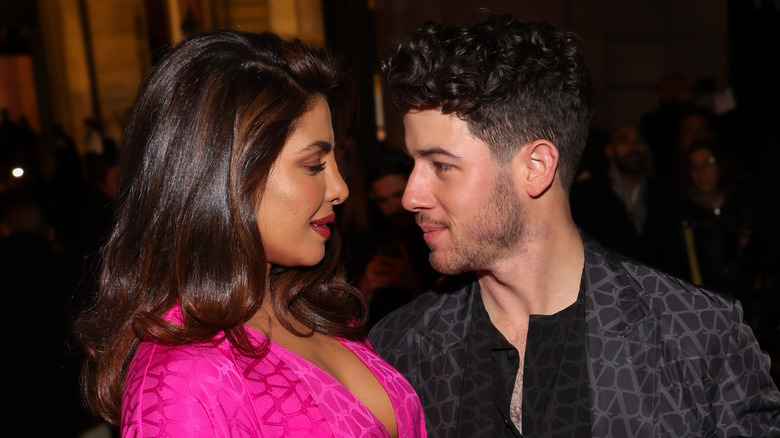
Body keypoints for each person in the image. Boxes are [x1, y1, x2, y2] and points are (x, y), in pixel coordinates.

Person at [367, 14, 780, 438]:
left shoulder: (702, 339)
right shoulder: (396, 349)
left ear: (536, 166)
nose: (410, 196)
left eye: (441, 165)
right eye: (413, 163)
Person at [76, 30, 425, 438]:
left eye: (336, 161)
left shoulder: (307, 309)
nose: (341, 189)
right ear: (228, 175)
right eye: (314, 165)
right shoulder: (182, 379)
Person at [570, 122, 677, 270]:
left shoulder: (661, 192)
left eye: (638, 140)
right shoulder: (587, 194)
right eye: (623, 140)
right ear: (609, 150)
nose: (633, 146)